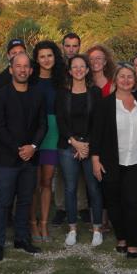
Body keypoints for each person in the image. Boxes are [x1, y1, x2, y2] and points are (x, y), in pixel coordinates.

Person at [0, 53, 47, 262]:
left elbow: (43, 125)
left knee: (25, 201)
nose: (22, 70)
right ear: (11, 69)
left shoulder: (38, 94)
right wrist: (18, 149)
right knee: (3, 202)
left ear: (31, 71)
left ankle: (22, 239)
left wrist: (32, 147)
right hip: (8, 158)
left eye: (26, 67)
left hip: (30, 158)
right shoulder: (0, 95)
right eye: (18, 66)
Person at [92, 63, 137, 259]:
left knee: (133, 201)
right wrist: (95, 160)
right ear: (115, 79)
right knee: (115, 202)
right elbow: (97, 134)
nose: (126, 80)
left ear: (135, 80)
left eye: (130, 77)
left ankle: (133, 243)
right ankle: (121, 238)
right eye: (122, 76)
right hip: (112, 161)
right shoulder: (105, 104)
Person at [55, 54, 104, 246]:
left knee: (94, 188)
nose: (78, 70)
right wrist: (74, 142)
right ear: (69, 71)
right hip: (68, 146)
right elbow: (60, 120)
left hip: (90, 147)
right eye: (74, 67)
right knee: (70, 188)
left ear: (87, 69)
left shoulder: (95, 92)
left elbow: (98, 122)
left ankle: (97, 229)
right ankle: (72, 228)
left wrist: (87, 146)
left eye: (82, 66)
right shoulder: (62, 93)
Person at [29, 41, 65, 242]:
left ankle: (43, 223)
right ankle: (32, 223)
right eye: (42, 56)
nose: (46, 59)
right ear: (37, 59)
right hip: (34, 133)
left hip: (53, 133)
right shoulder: (31, 80)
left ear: (55, 57)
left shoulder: (61, 80)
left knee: (47, 181)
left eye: (49, 55)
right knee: (32, 182)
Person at [53, 32, 89, 226]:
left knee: (82, 169)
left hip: (81, 126)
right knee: (62, 170)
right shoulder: (58, 68)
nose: (71, 49)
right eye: (68, 46)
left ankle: (82, 206)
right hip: (61, 122)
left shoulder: (81, 66)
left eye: (75, 46)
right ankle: (61, 208)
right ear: (63, 46)